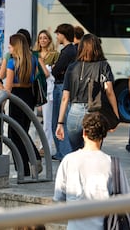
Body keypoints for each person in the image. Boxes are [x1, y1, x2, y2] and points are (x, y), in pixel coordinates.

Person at [53, 112, 130, 229]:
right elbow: (126, 199)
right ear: (104, 135)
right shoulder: (113, 164)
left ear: (84, 133)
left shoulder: (68, 160)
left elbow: (59, 197)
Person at [56, 33, 119, 151]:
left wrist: (60, 123)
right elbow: (109, 91)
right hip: (96, 111)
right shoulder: (103, 66)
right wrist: (115, 115)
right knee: (94, 151)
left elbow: (65, 97)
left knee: (76, 152)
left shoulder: (72, 67)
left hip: (75, 111)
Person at [5, 33, 43, 176]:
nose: (9, 48)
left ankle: (23, 169)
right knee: (23, 132)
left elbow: (8, 87)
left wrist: (1, 104)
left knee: (13, 134)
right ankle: (35, 159)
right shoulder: (32, 60)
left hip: (16, 97)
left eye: (10, 45)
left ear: (16, 47)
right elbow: (32, 80)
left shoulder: (12, 62)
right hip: (29, 96)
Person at [51, 23, 77, 160]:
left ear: (63, 35)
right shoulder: (74, 50)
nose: (57, 36)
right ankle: (62, 152)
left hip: (61, 86)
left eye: (58, 34)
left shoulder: (66, 51)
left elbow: (55, 70)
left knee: (59, 120)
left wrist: (55, 67)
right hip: (69, 86)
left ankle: (64, 153)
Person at [33, 30, 60, 156]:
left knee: (47, 119)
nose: (42, 40)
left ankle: (46, 146)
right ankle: (37, 144)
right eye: (40, 38)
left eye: (45, 38)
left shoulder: (54, 54)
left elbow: (52, 72)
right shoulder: (34, 54)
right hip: (35, 87)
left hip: (48, 89)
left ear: (49, 40)